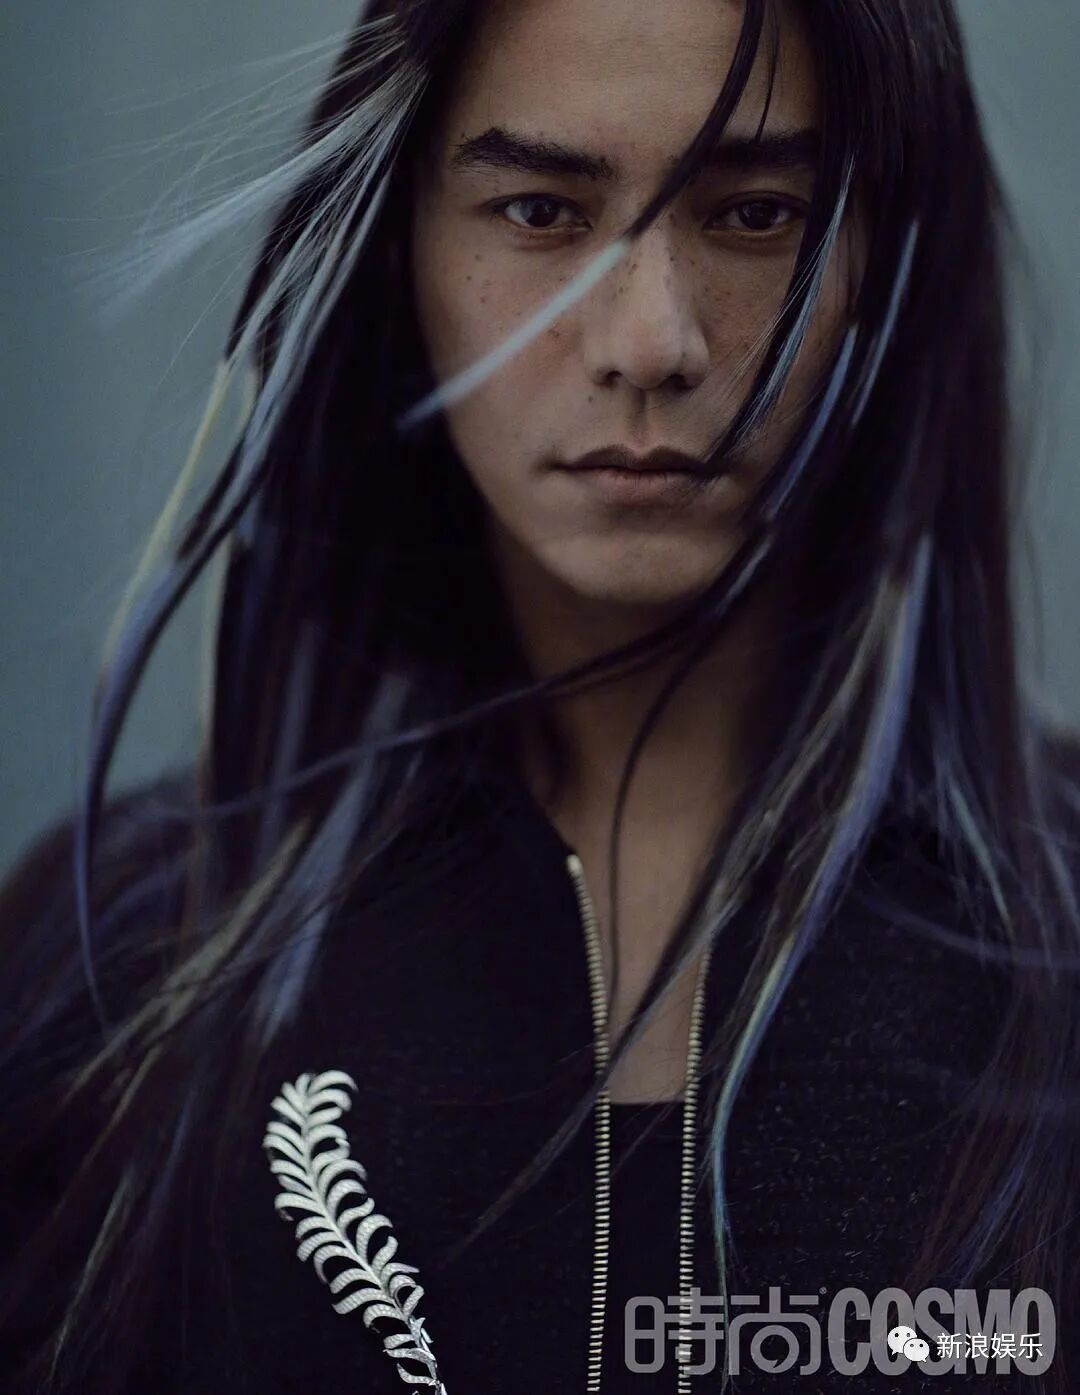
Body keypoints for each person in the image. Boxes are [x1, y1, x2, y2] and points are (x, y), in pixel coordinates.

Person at [1, 0, 1078, 1390]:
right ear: (397, 250)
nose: (651, 339)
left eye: (757, 216)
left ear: (891, 258)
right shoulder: (115, 976)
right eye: (539, 211)